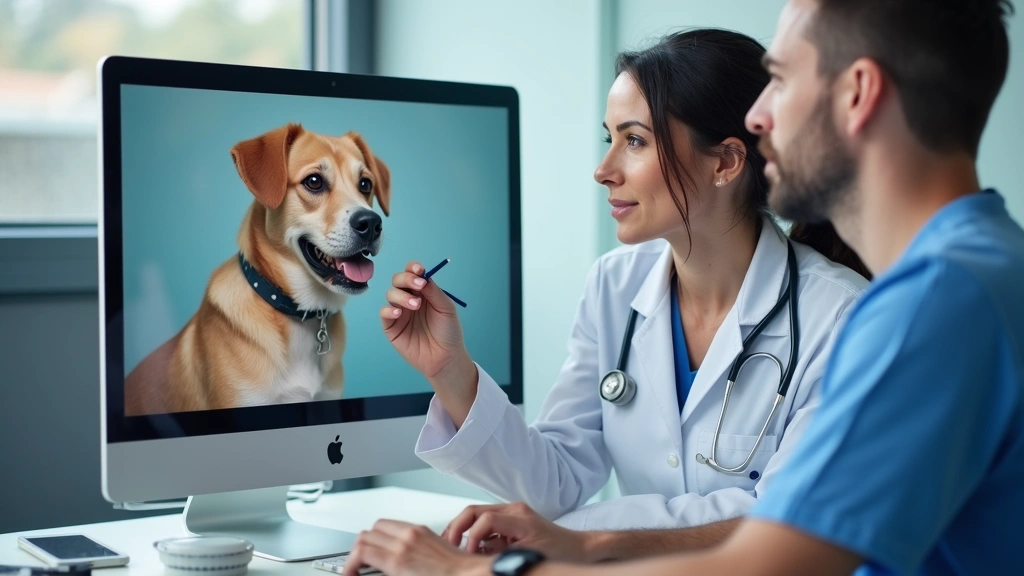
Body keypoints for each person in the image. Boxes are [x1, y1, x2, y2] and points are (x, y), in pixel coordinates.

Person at [344, 0, 1024, 575]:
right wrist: (454, 374)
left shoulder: (928, 304)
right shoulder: (986, 269)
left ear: (858, 93)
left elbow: (767, 556)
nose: (760, 117)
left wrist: (488, 570)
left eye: (781, 81)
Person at [378, 27, 868, 557]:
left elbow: (784, 519)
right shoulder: (614, 286)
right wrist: (451, 370)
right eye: (608, 139)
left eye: (634, 141)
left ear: (726, 162)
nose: (603, 170)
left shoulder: (841, 316)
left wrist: (587, 538)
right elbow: (557, 481)